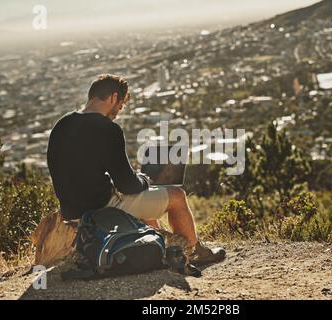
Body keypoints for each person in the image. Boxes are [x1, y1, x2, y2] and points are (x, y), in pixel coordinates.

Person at [47, 74, 225, 265]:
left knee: (144, 199)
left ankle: (160, 247)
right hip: (101, 208)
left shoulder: (62, 124)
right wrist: (143, 180)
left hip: (71, 210)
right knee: (177, 196)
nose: (119, 111)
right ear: (114, 97)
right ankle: (195, 251)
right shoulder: (108, 129)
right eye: (121, 105)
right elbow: (128, 186)